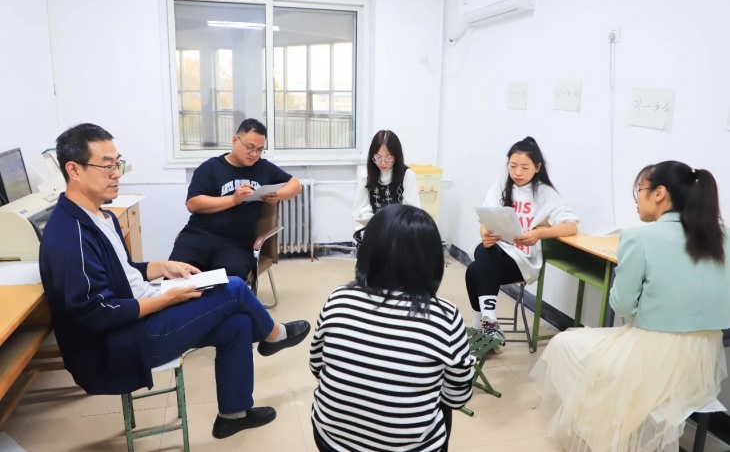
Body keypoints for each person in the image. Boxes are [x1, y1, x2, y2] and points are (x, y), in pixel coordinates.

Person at [39, 123, 311, 440]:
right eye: (107, 166)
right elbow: (96, 313)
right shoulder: (69, 236)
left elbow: (123, 270)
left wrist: (162, 267)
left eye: (118, 164)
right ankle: (274, 335)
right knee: (235, 288)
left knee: (237, 324)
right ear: (74, 170)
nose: (116, 174)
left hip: (141, 314)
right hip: (123, 342)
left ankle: (233, 415)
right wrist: (165, 300)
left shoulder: (102, 216)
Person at [531, 161, 730, 451]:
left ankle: (603, 435)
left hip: (655, 353)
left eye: (639, 191)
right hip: (704, 358)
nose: (637, 200)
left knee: (564, 343)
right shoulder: (721, 236)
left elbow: (622, 306)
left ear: (659, 193)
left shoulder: (638, 238)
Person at [310, 204, 475, 452]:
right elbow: (457, 396)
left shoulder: (339, 297)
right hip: (409, 447)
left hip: (330, 440)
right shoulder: (445, 316)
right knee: (441, 405)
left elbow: (316, 365)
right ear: (432, 259)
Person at [465, 137, 579, 347]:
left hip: (522, 260)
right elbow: (484, 220)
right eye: (512, 166)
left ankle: (482, 328)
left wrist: (538, 234)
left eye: (524, 168)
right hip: (496, 251)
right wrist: (485, 234)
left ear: (537, 167)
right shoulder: (500, 187)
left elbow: (571, 226)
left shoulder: (545, 193)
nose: (517, 172)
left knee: (475, 270)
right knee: (485, 254)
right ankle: (489, 325)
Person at [169, 118, 301, 281]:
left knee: (230, 281)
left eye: (260, 150)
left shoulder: (263, 167)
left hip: (236, 243)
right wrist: (233, 199)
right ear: (234, 140)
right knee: (177, 277)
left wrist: (279, 194)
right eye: (250, 147)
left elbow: (296, 184)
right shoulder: (210, 168)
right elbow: (193, 203)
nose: (254, 154)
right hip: (198, 236)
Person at [351, 130, 420, 243]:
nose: (383, 163)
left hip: (399, 232)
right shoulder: (366, 175)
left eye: (388, 158)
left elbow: (413, 211)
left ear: (396, 156)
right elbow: (358, 209)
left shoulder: (407, 175)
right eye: (377, 157)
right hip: (374, 230)